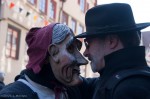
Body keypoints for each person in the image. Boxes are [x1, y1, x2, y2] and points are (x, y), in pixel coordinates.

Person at [75, 3, 150, 99]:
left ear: (112, 41)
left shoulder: (129, 89)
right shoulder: (115, 80)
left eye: (88, 44)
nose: (85, 53)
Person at [0, 23, 88, 99]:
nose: (84, 61)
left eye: (78, 49)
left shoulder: (71, 89)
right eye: (70, 49)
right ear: (53, 53)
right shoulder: (11, 96)